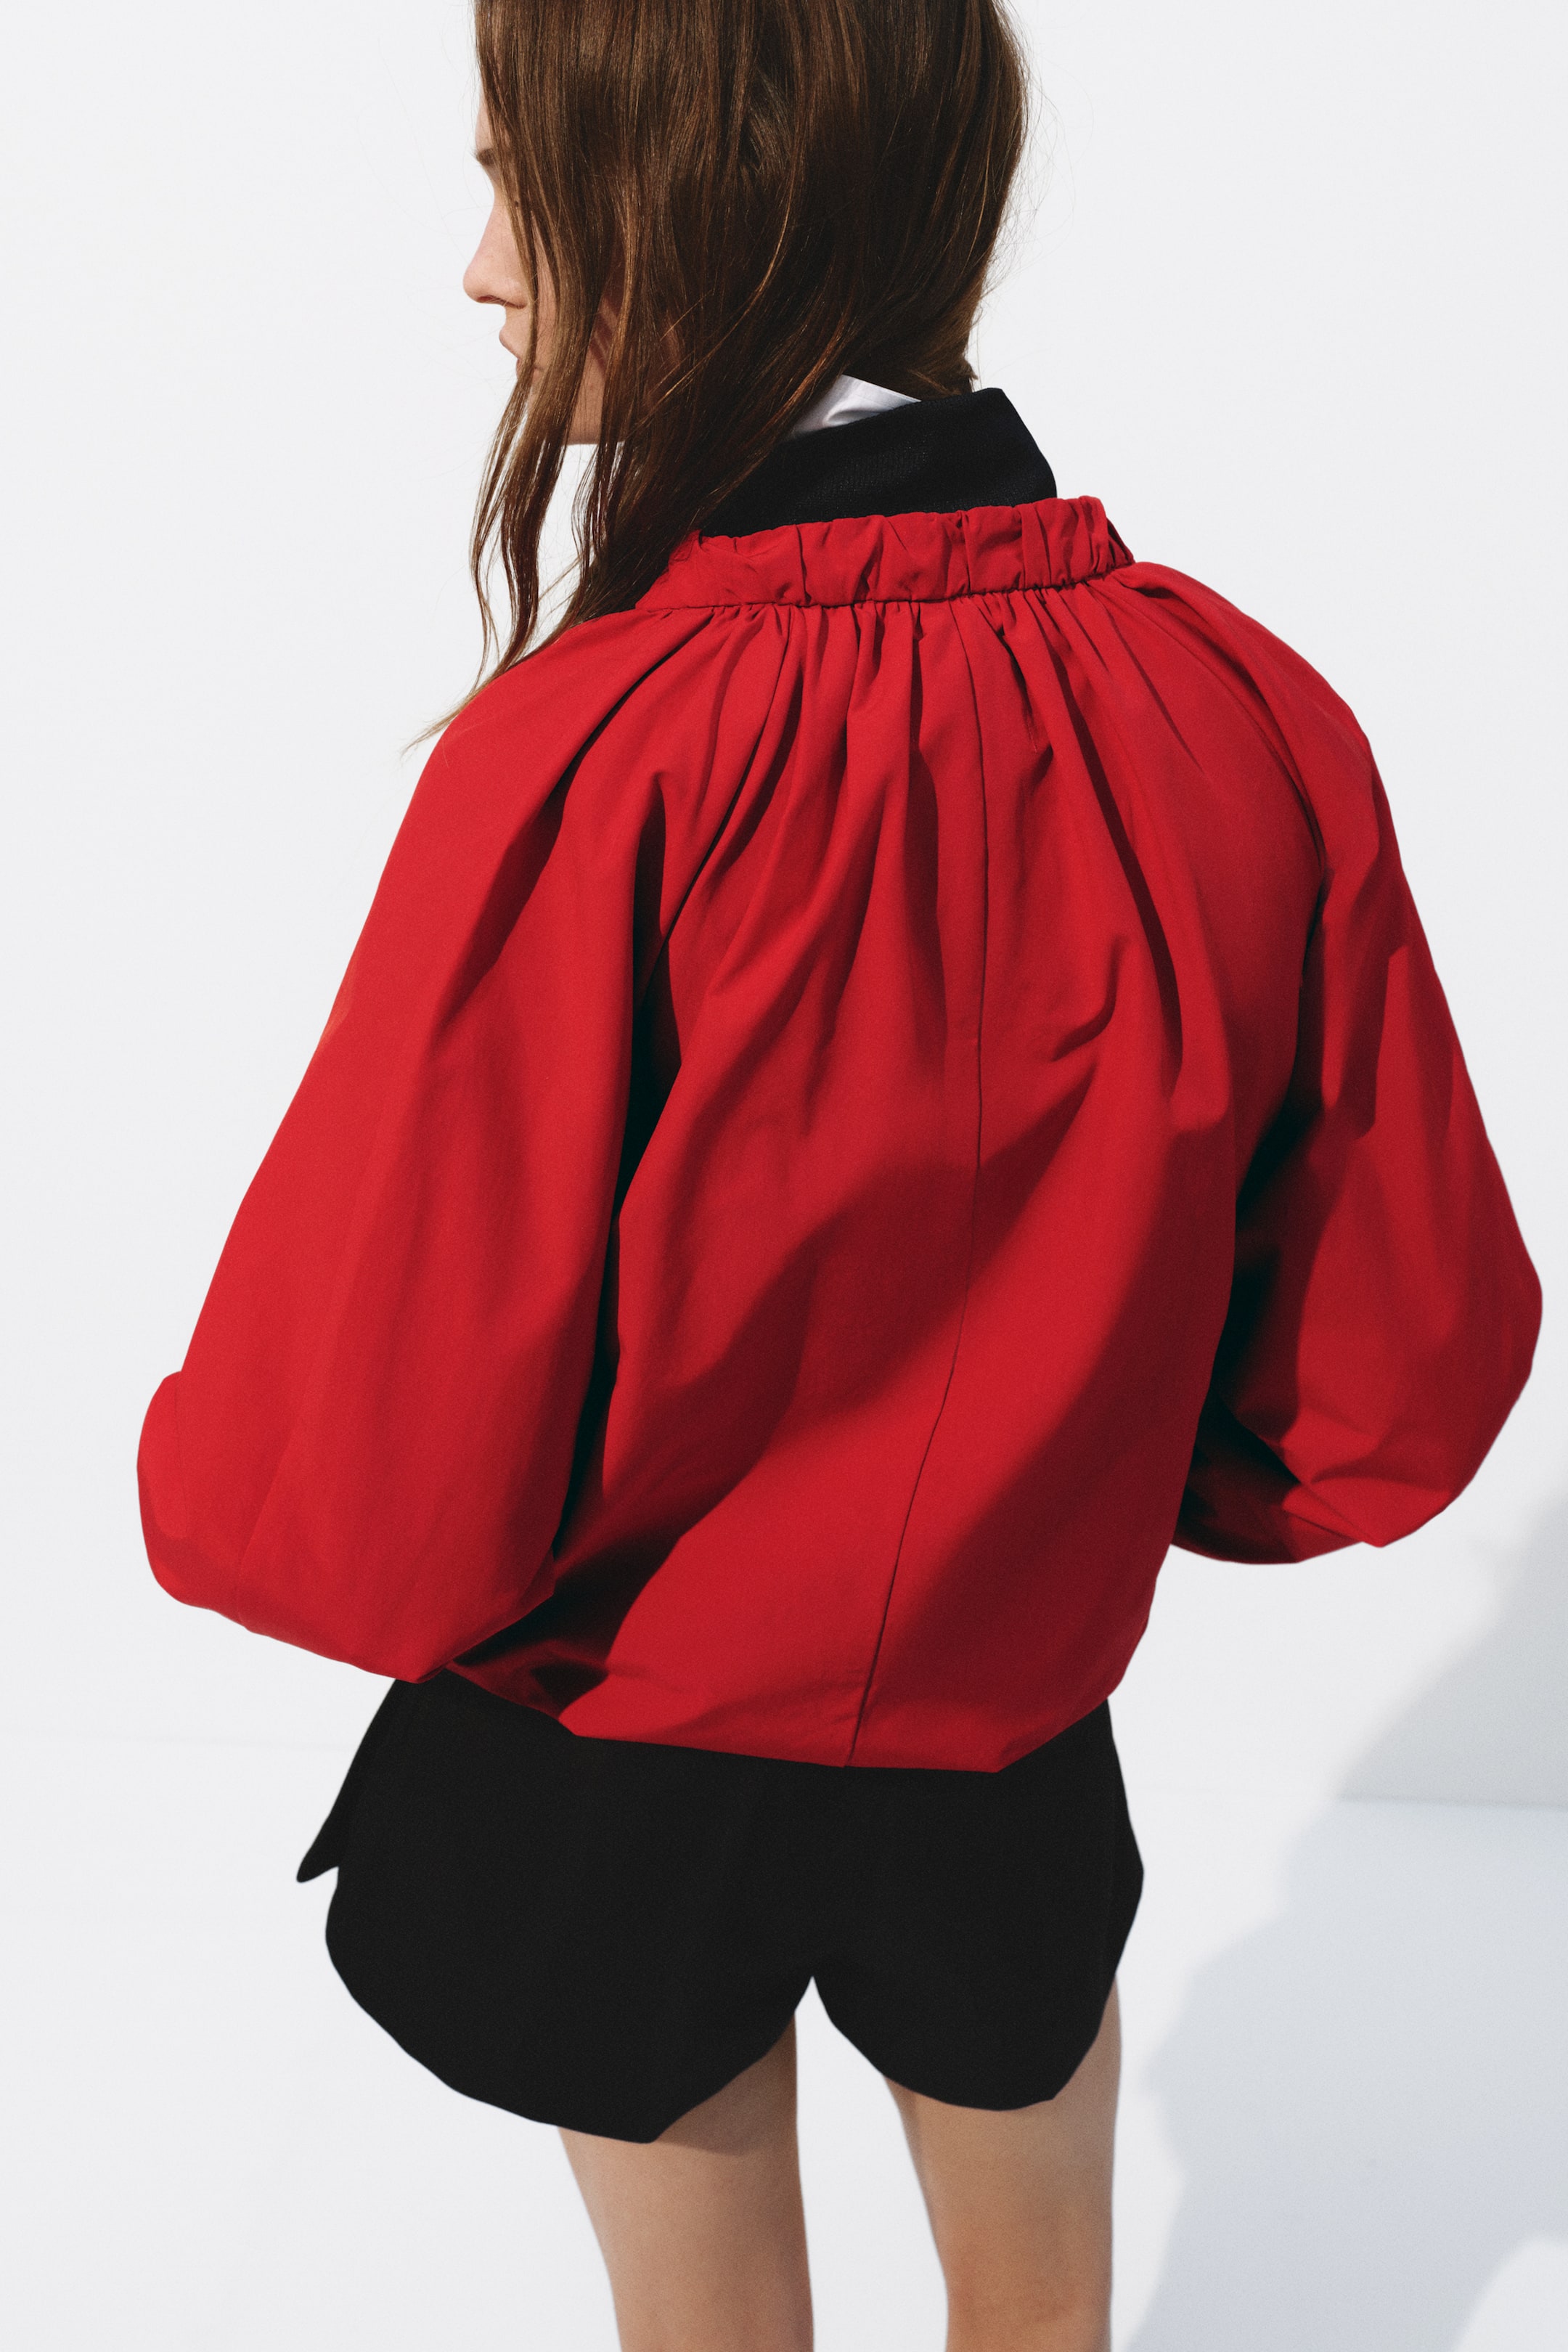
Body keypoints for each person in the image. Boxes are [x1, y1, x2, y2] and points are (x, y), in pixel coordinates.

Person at [135, 4, 1541, 2347]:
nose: (483, 269)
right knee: (1044, 2312)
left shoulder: (592, 756)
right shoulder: (1238, 709)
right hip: (1017, 1713)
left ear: (703, 215)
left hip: (622, 1738)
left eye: (516, 187)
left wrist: (212, 1485)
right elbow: (1398, 1349)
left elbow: (385, 1408)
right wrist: (1073, 1483)